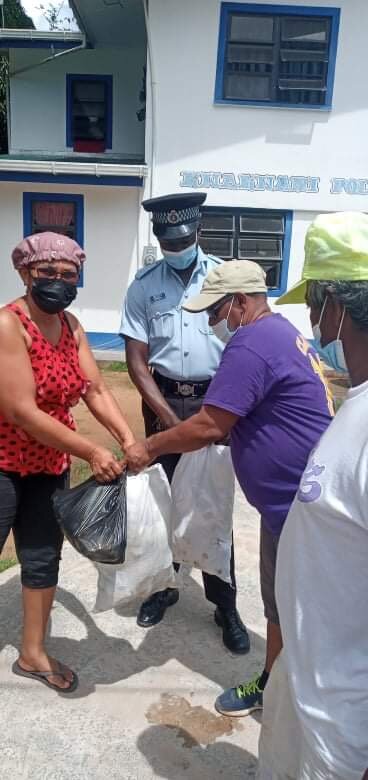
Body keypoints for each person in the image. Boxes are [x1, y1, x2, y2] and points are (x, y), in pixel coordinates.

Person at [125, 259, 333, 716]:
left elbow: (209, 425)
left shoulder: (252, 342)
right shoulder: (280, 333)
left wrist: (150, 447)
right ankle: (274, 684)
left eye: (216, 314)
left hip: (299, 506)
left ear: (240, 302)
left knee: (301, 609)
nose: (214, 324)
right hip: (291, 503)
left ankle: (296, 701)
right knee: (280, 604)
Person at [257, 212, 368, 780]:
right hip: (309, 688)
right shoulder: (356, 402)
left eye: (313, 302)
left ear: (335, 305)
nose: (309, 319)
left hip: (345, 723)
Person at [0, 231, 134, 694]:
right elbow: (21, 410)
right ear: (24, 273)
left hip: (48, 464)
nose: (58, 282)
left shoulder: (72, 326)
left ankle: (33, 653)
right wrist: (94, 451)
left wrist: (127, 438)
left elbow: (94, 389)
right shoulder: (8, 325)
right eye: (47, 273)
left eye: (68, 274)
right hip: (2, 464)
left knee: (41, 560)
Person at [120, 192, 249, 654]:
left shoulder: (220, 277)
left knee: (212, 505)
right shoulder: (143, 285)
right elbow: (136, 361)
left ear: (198, 230)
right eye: (170, 239)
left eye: (186, 237)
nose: (179, 244)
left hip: (217, 401)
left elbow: (242, 344)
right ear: (159, 236)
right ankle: (162, 587)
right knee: (163, 504)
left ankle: (224, 603)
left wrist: (226, 409)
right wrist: (170, 420)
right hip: (163, 399)